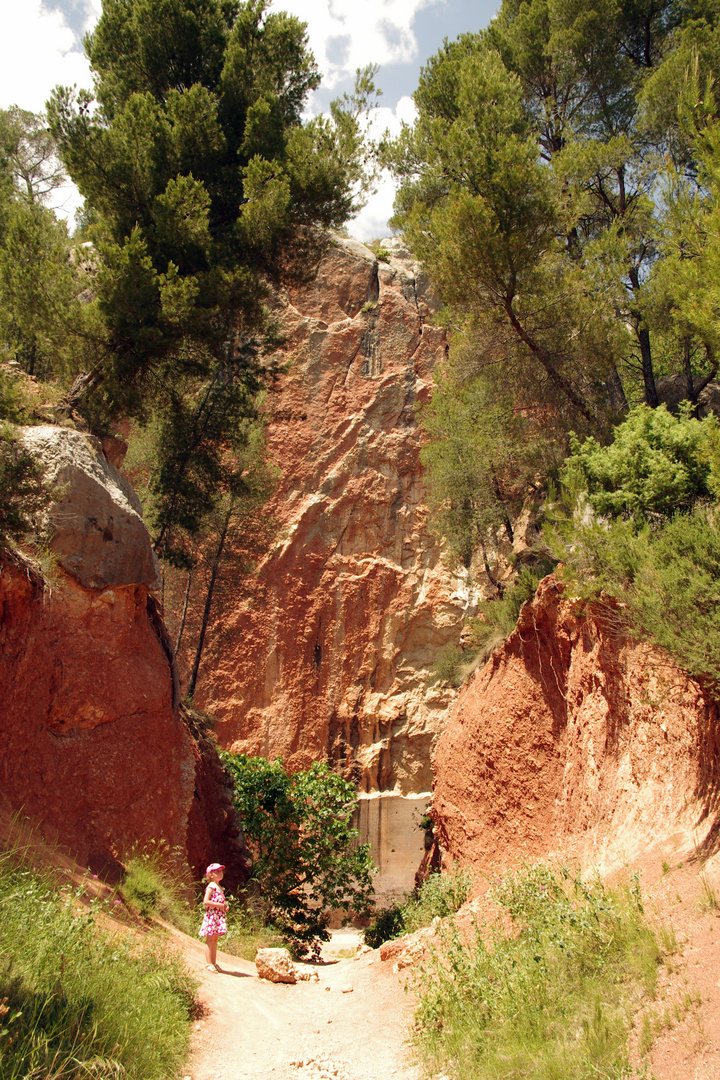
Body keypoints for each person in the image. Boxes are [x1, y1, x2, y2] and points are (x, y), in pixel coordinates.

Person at [199, 862, 227, 972]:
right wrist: (219, 905)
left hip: (218, 916)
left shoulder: (219, 887)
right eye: (217, 872)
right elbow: (206, 901)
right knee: (210, 940)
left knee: (215, 940)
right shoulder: (211, 886)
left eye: (221, 871)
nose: (220, 873)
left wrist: (224, 907)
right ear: (211, 875)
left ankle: (214, 963)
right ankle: (208, 963)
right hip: (212, 916)